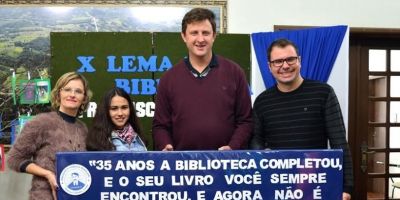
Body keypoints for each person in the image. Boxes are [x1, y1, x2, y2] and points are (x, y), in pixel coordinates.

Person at [250, 38, 354, 200]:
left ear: (299, 61)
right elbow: (256, 140)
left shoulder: (323, 93)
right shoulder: (262, 101)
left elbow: (339, 142)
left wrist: (346, 188)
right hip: (276, 185)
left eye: (290, 59)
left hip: (317, 183)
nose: (285, 66)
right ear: (270, 67)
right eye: (277, 61)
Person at [152, 8, 253, 151]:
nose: (200, 39)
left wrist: (232, 147)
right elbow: (160, 126)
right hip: (183, 165)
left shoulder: (235, 73)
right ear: (184, 36)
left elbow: (245, 121)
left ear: (214, 36)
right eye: (194, 33)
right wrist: (165, 145)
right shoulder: (169, 79)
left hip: (225, 164)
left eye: (205, 33)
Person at [7, 72, 92, 200]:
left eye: (78, 91)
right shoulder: (41, 122)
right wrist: (47, 174)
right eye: (67, 89)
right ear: (58, 94)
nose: (72, 95)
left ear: (84, 98)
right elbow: (14, 159)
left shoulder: (83, 129)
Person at [86, 87, 147, 151]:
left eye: (124, 107)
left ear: (130, 109)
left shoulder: (138, 136)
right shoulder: (97, 140)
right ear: (105, 111)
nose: (120, 113)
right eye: (114, 108)